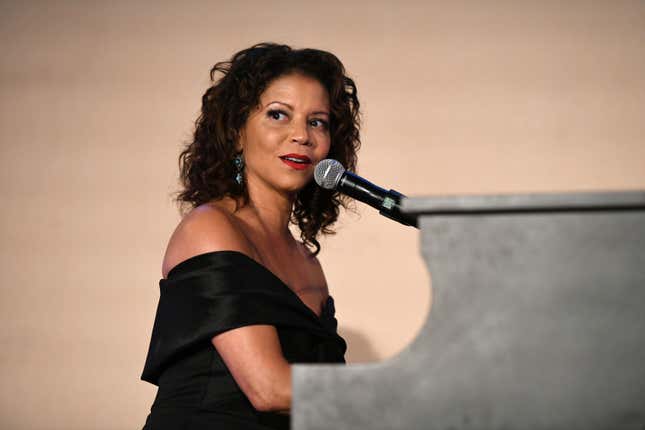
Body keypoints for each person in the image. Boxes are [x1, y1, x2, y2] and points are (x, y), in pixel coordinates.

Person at [140, 42, 361, 429]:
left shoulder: (309, 264)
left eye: (318, 121)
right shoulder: (209, 228)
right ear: (237, 132)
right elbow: (269, 388)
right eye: (278, 115)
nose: (301, 136)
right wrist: (405, 388)